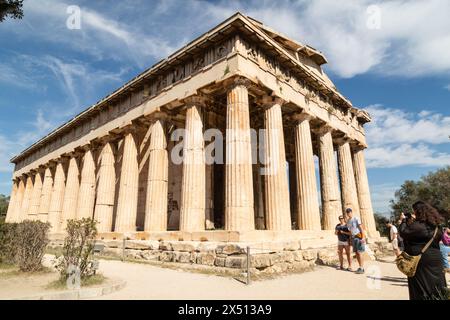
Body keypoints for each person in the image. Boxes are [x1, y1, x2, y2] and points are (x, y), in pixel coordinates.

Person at [398, 201, 448, 300]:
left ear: (418, 212)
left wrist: (403, 221)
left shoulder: (418, 226)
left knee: (421, 288)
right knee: (437, 286)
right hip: (436, 259)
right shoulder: (437, 226)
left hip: (421, 261)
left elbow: (404, 232)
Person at [345, 208, 366, 274]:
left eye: (349, 212)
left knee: (360, 252)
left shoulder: (356, 218)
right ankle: (360, 267)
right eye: (347, 212)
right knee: (356, 253)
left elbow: (361, 228)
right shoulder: (348, 221)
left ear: (351, 212)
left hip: (359, 236)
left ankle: (362, 268)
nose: (348, 213)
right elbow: (350, 231)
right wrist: (350, 239)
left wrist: (363, 237)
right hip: (353, 237)